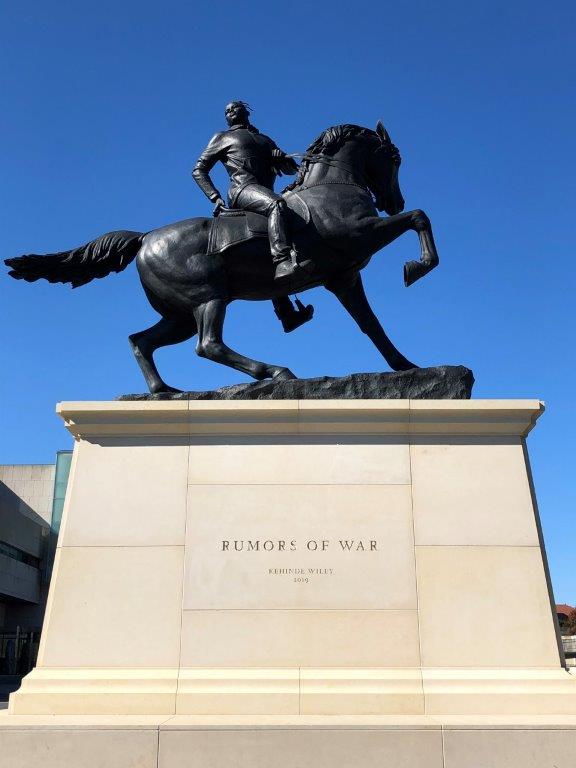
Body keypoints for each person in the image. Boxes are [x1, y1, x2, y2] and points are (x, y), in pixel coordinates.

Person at [192, 101, 313, 331]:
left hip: (263, 191)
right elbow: (199, 169)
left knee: (276, 227)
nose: (230, 112)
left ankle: (287, 315)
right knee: (277, 204)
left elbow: (290, 169)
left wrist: (281, 157)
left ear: (246, 111)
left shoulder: (264, 140)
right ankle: (282, 261)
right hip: (242, 191)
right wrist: (214, 197)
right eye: (226, 110)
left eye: (234, 108)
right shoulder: (221, 137)